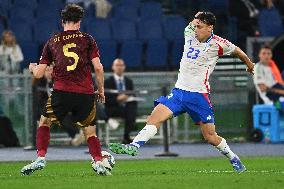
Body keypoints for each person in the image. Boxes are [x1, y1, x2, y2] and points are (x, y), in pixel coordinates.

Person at [109, 12, 255, 173]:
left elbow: (238, 52)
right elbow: (193, 22)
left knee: (210, 137)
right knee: (154, 118)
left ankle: (234, 158)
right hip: (179, 93)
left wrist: (249, 64)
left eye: (200, 27)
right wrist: (197, 17)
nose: (196, 29)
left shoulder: (219, 44)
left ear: (210, 27)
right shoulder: (189, 32)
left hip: (199, 96)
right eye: (196, 25)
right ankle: (134, 146)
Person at [20, 4, 109, 176]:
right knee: (90, 131)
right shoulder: (88, 39)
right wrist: (101, 90)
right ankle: (98, 161)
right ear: (80, 22)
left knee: (44, 122)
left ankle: (40, 157)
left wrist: (32, 67)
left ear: (62, 22)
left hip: (62, 92)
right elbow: (98, 68)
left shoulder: (52, 41)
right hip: (85, 93)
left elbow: (39, 73)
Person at [33, 65, 84, 146]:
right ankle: (76, 134)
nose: (49, 72)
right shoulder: (39, 83)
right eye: (47, 70)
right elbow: (40, 100)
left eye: (51, 70)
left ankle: (76, 135)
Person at [105, 58, 137, 144]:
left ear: (124, 67)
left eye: (121, 65)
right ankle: (126, 137)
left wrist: (127, 98)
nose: (119, 67)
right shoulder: (107, 82)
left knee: (132, 107)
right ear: (113, 67)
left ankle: (126, 136)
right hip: (113, 108)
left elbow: (132, 94)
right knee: (130, 112)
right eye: (117, 65)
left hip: (126, 107)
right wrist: (117, 99)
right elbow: (106, 100)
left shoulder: (129, 81)